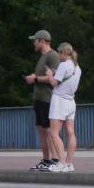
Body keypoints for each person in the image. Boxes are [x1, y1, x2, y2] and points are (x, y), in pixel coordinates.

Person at [42, 42, 81, 173]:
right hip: (71, 101)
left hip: (60, 101)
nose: (58, 55)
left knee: (53, 132)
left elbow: (53, 83)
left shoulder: (64, 65)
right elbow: (65, 79)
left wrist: (49, 74)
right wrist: (55, 73)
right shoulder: (77, 67)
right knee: (70, 132)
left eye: (59, 53)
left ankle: (61, 163)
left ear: (63, 52)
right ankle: (69, 163)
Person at [24, 30, 60, 171]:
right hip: (39, 98)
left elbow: (55, 78)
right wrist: (34, 76)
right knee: (42, 131)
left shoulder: (53, 56)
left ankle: (55, 160)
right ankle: (46, 160)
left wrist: (36, 78)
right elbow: (42, 75)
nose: (34, 43)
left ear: (42, 41)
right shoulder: (42, 56)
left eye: (35, 40)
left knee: (49, 131)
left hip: (47, 99)